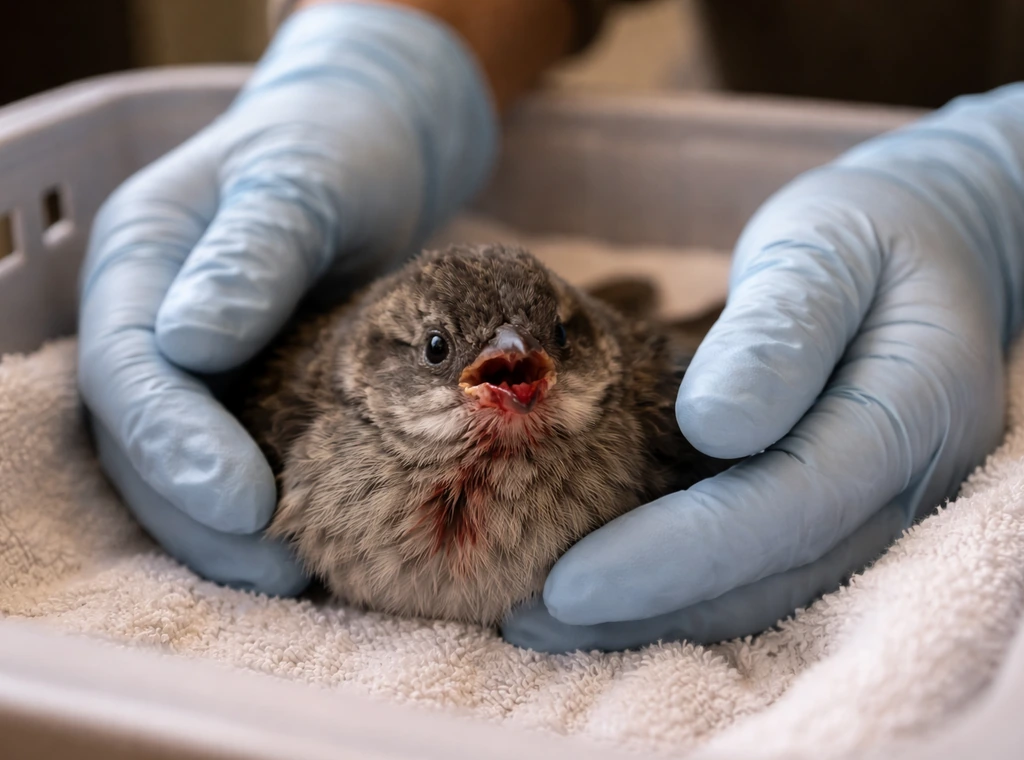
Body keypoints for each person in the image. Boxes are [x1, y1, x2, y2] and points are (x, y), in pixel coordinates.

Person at [77, 0, 1024, 652]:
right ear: (373, 366)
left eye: (549, 342)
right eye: (444, 351)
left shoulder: (644, 415)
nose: (513, 359)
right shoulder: (300, 420)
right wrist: (405, 31)